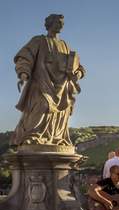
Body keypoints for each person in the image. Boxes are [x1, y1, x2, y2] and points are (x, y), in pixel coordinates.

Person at [11, 14, 86, 147]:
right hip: (42, 82)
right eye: (58, 22)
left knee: (62, 112)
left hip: (62, 86)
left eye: (62, 23)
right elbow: (25, 57)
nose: (61, 25)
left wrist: (78, 74)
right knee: (43, 105)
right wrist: (23, 74)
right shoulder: (39, 41)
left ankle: (55, 138)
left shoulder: (65, 45)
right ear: (50, 24)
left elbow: (78, 66)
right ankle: (33, 136)